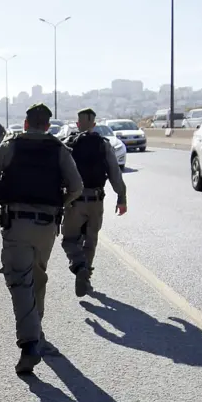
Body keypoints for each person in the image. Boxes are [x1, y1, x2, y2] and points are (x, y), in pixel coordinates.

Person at [0, 103, 83, 375]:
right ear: (48, 126)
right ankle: (36, 326)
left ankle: (29, 344)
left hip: (17, 224)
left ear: (25, 124)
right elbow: (77, 187)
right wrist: (59, 203)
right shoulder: (59, 149)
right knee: (37, 276)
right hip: (48, 226)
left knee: (19, 280)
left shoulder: (10, 146)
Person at [61, 108, 127, 297]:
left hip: (74, 201)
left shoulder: (69, 144)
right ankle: (86, 278)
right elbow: (115, 173)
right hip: (96, 201)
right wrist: (121, 197)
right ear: (94, 124)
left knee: (69, 240)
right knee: (90, 242)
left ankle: (79, 266)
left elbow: (60, 172)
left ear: (77, 123)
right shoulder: (103, 144)